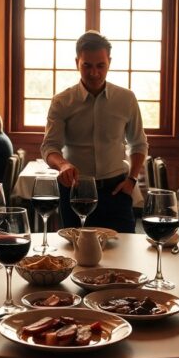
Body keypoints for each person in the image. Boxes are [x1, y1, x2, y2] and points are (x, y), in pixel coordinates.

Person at [41, 30, 148, 233]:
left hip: (117, 190)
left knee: (125, 247)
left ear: (109, 62)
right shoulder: (62, 101)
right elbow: (49, 147)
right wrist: (63, 165)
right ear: (77, 63)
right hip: (75, 190)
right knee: (75, 248)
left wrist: (132, 179)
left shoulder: (126, 99)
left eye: (100, 66)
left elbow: (139, 143)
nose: (94, 73)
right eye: (87, 66)